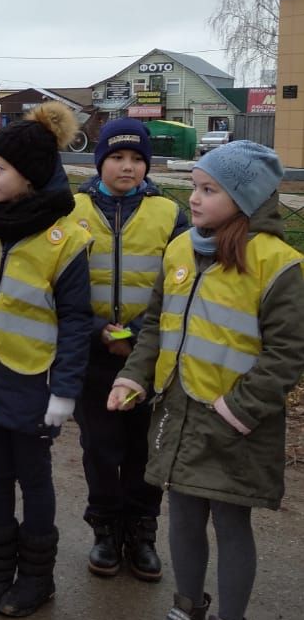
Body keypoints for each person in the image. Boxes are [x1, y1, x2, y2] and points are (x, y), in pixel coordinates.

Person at [108, 141, 304, 620]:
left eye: (208, 190)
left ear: (243, 198)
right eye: (193, 187)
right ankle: (188, 608)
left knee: (231, 520)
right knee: (184, 513)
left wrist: (237, 409)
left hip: (237, 420)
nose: (193, 199)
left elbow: (287, 354)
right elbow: (154, 326)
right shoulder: (178, 252)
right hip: (179, 408)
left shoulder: (279, 265)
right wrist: (132, 377)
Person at [0, 102, 92, 618]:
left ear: (30, 176)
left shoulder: (65, 240)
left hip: (35, 380)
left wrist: (66, 390)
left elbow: (76, 321)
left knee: (33, 477)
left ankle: (36, 577)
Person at [69, 120, 187, 581]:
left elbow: (179, 283)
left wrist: (137, 334)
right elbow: (60, 281)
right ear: (99, 162)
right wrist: (99, 329)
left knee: (143, 447)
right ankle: (104, 529)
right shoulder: (72, 209)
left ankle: (141, 530)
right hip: (91, 350)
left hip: (148, 354)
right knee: (99, 446)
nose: (128, 167)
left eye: (137, 159)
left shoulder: (168, 213)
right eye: (118, 157)